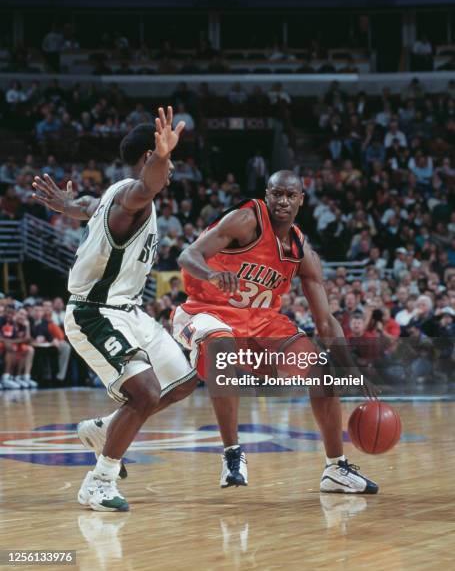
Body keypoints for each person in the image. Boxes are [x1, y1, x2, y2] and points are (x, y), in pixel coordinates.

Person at [32, 108, 197, 512]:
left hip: (130, 311)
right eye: (165, 160)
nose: (171, 167)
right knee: (144, 393)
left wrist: (68, 206)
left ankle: (104, 430)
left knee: (185, 380)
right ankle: (99, 481)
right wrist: (160, 159)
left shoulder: (113, 194)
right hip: (94, 312)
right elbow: (147, 188)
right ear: (148, 157)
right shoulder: (134, 195)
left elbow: (89, 204)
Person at [173, 170, 378, 494]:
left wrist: (352, 370)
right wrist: (212, 274)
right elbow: (187, 255)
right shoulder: (246, 219)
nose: (282, 201)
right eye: (276, 194)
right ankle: (232, 454)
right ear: (267, 195)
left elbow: (325, 322)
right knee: (216, 351)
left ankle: (336, 468)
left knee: (322, 371)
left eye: (290, 195)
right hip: (206, 311)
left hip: (260, 322)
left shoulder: (301, 252)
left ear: (301, 200)